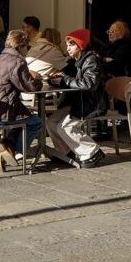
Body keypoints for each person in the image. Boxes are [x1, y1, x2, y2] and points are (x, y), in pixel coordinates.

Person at [0, 29, 44, 170]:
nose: (28, 50)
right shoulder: (17, 62)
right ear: (20, 46)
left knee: (25, 118)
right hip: (5, 111)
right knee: (36, 122)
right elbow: (29, 88)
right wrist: (38, 80)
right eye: (27, 47)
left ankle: (7, 144)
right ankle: (14, 149)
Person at [46, 28, 106, 168]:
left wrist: (64, 79)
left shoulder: (92, 60)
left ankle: (92, 152)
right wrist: (52, 78)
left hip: (90, 103)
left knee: (65, 126)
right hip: (75, 101)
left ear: (81, 45)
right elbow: (64, 76)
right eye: (67, 45)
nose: (68, 48)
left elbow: (88, 84)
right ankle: (65, 153)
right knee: (51, 122)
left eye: (72, 45)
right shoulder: (75, 60)